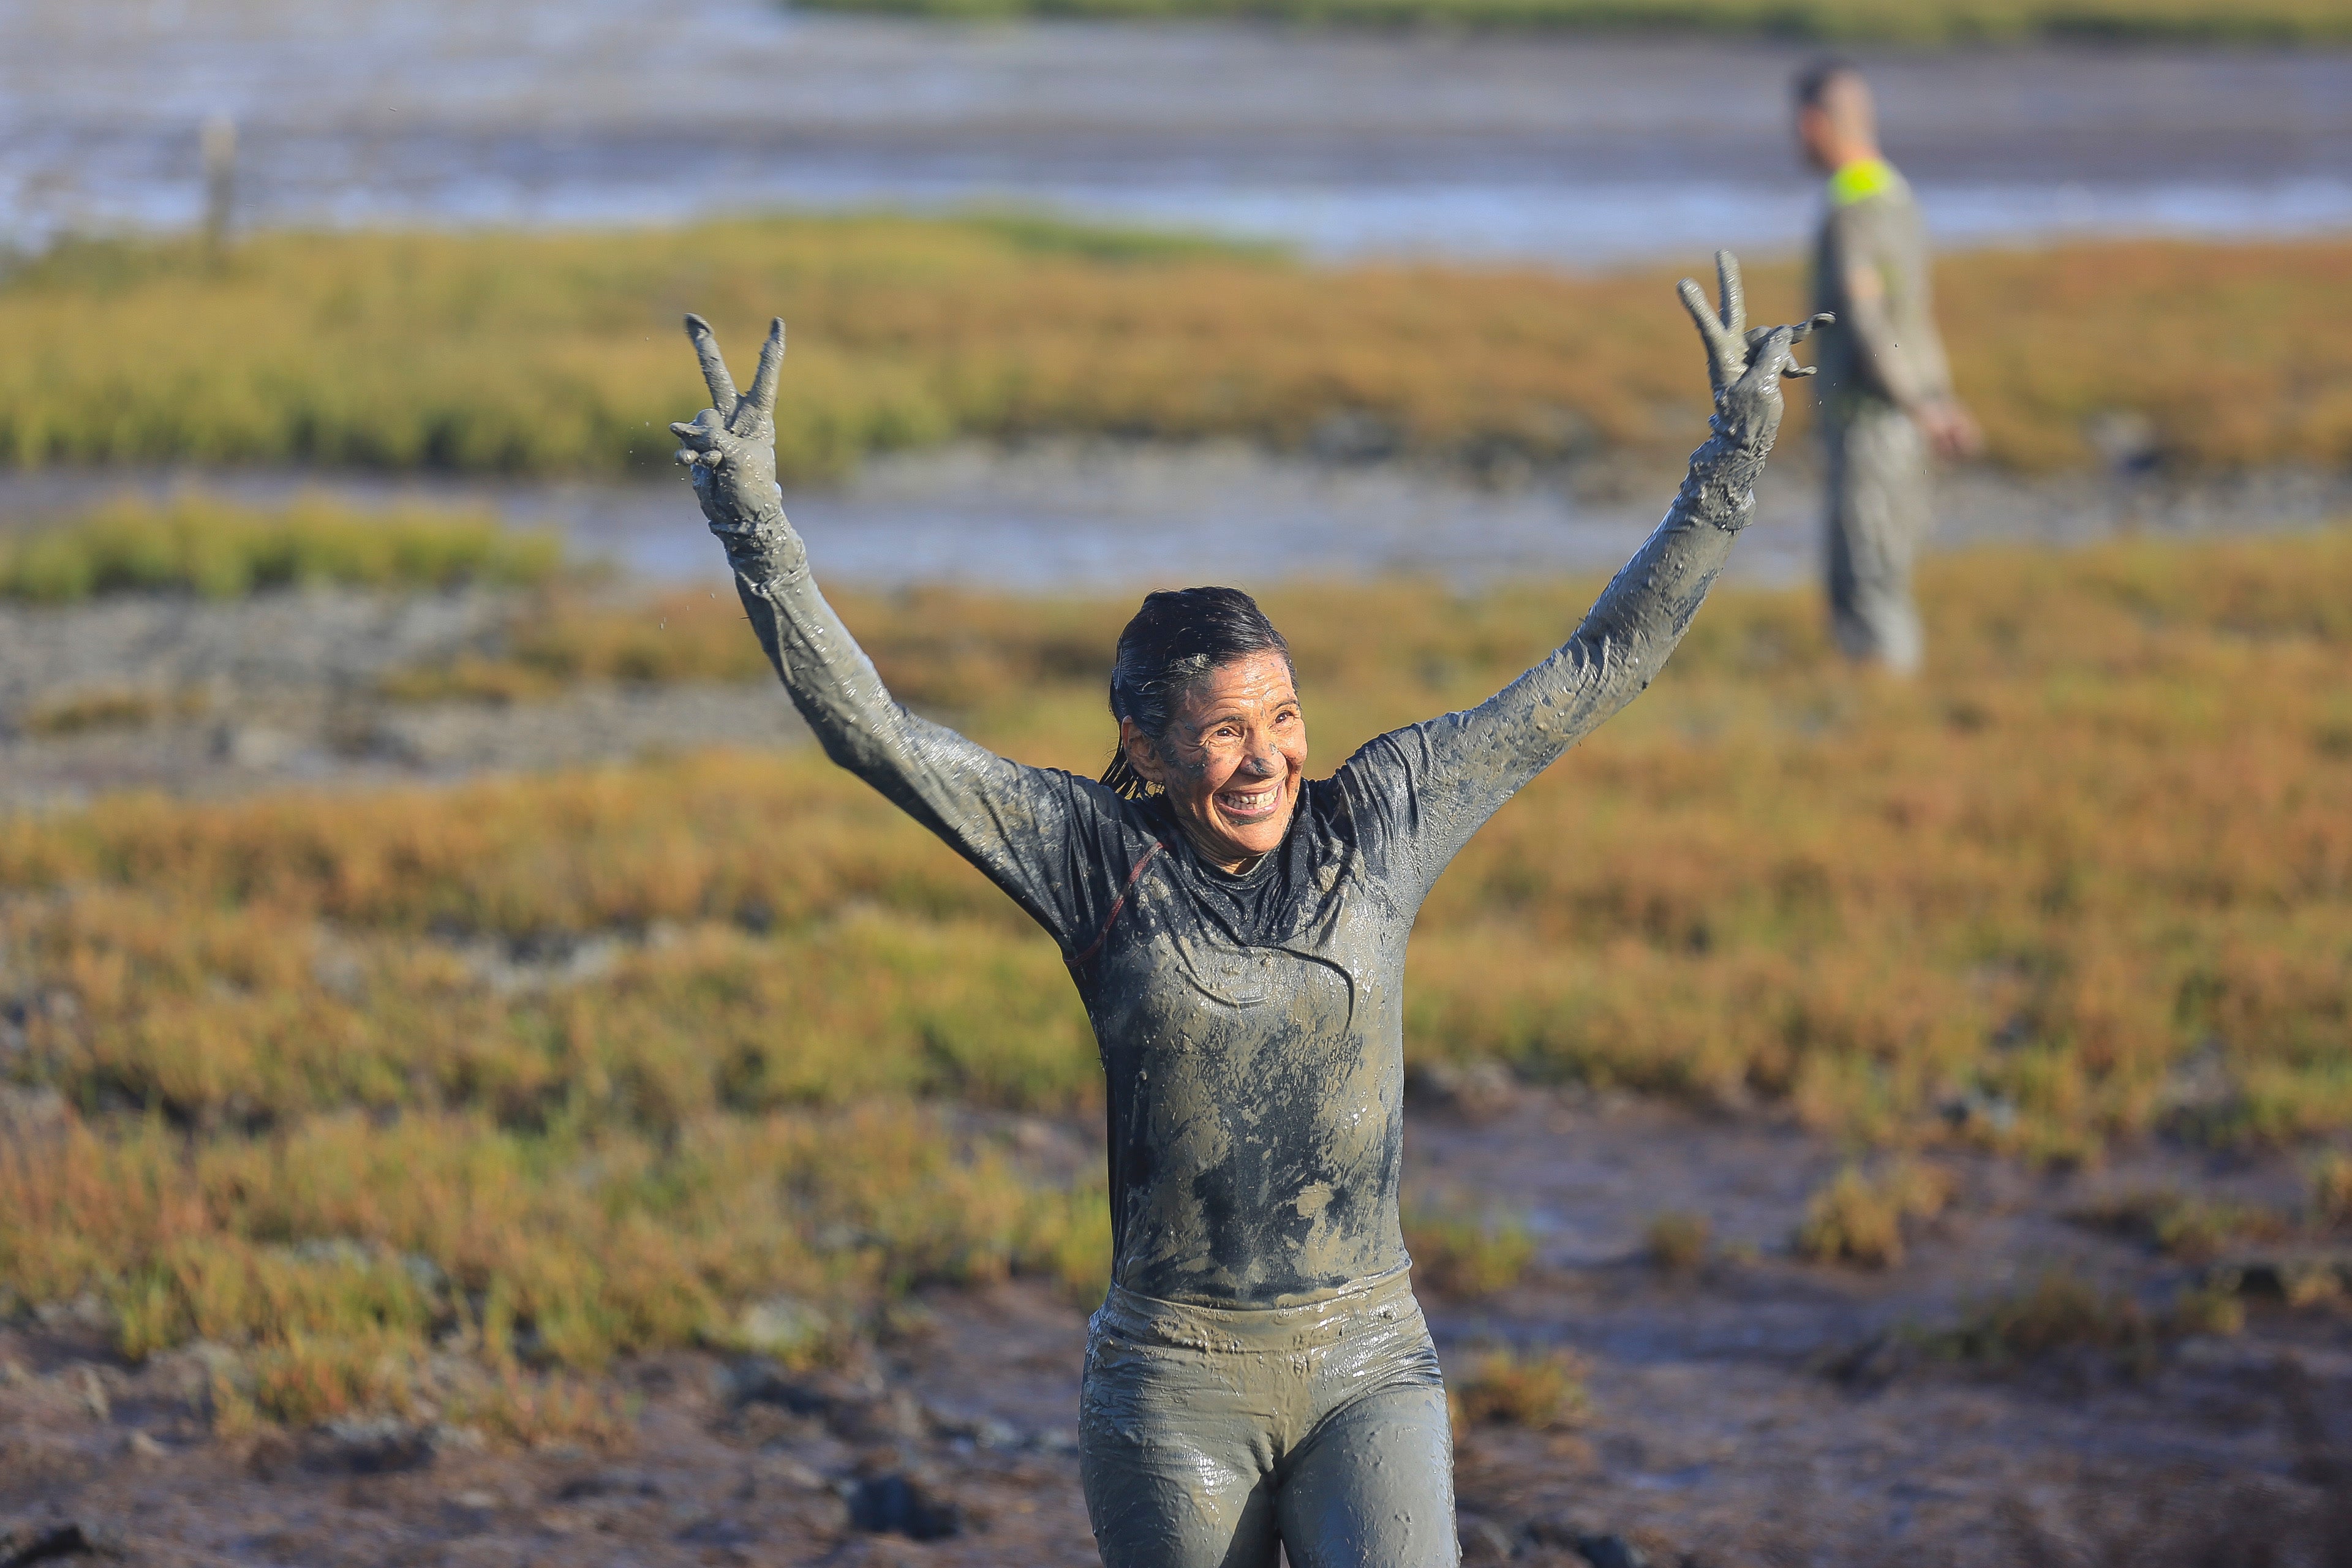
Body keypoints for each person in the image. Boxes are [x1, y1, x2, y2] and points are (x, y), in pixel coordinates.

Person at [669, 255, 1822, 1568]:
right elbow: (874, 734)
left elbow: (1601, 662)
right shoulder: (1091, 854)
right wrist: (752, 522)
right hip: (1173, 1379)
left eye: (1282, 717)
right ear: (1147, 748)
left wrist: (1733, 456)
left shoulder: (1383, 816)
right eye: (1224, 730)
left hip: (1368, 1355)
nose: (1268, 755)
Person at [1795, 57, 1980, 675]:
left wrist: (1923, 407)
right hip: (1906, 416)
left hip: (1876, 424)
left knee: (1868, 590)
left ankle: (1884, 730)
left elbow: (1872, 322)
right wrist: (1937, 401)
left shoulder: (1853, 206)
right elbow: (1914, 321)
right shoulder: (1895, 192)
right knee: (1881, 583)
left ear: (1815, 123)